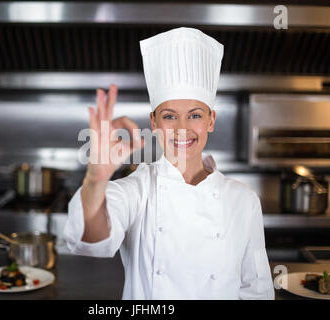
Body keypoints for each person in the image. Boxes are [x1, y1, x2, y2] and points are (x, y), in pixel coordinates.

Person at [63, 27, 275, 300]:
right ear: (154, 122)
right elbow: (91, 240)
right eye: (170, 116)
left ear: (211, 120)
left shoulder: (244, 200)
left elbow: (256, 291)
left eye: (195, 115)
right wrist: (96, 180)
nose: (182, 128)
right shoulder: (139, 190)